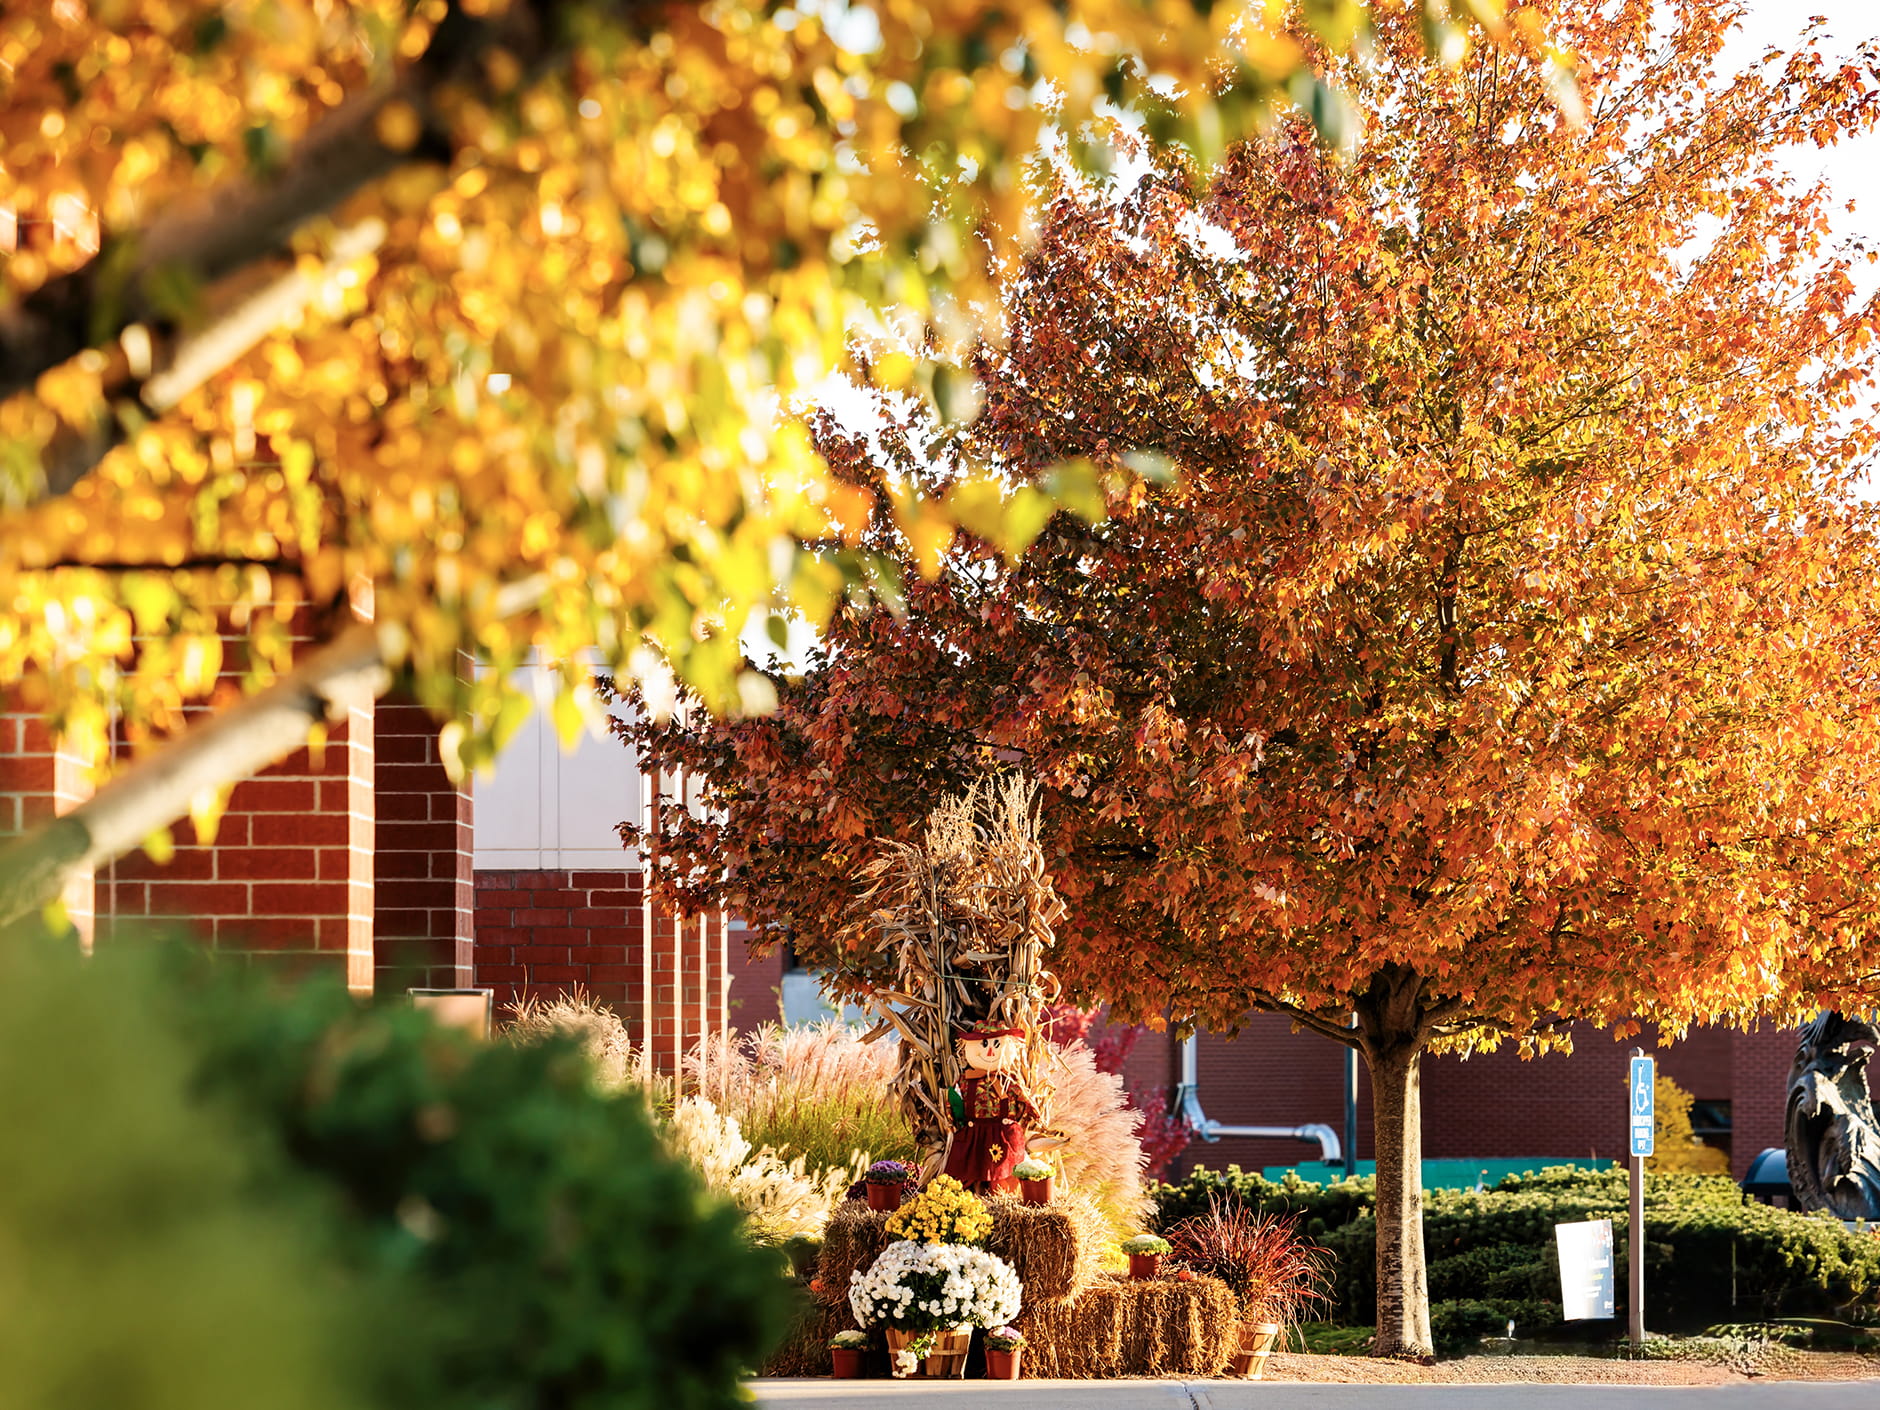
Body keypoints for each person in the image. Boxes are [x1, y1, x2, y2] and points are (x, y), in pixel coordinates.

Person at [941, 1026, 1044, 1194]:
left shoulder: (1008, 1081)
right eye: (983, 1044)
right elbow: (952, 1100)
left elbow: (1024, 1099)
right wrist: (952, 1121)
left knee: (1004, 1175)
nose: (989, 1050)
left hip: (1002, 1133)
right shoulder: (965, 1080)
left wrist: (1035, 1116)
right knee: (963, 1171)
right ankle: (955, 1201)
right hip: (974, 1132)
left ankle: (1002, 1201)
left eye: (996, 1044)